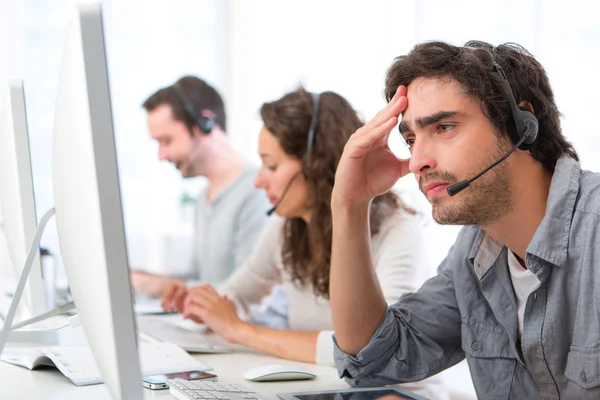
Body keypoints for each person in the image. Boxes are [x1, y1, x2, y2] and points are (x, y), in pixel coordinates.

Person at [330, 40, 600, 399]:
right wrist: (349, 205)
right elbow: (375, 359)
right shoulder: (474, 252)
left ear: (522, 125)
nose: (417, 162)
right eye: (410, 139)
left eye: (443, 127)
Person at [162, 88, 448, 399]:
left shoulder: (398, 229)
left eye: (271, 166)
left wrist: (241, 330)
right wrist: (203, 305)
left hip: (393, 394)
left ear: (315, 163)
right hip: (327, 390)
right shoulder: (287, 229)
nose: (259, 181)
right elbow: (239, 294)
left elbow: (375, 350)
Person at [131, 76, 270, 297]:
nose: (162, 155)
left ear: (205, 125)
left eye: (167, 141)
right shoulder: (203, 199)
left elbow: (251, 294)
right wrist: (147, 280)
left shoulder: (260, 192)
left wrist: (161, 287)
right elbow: (202, 280)